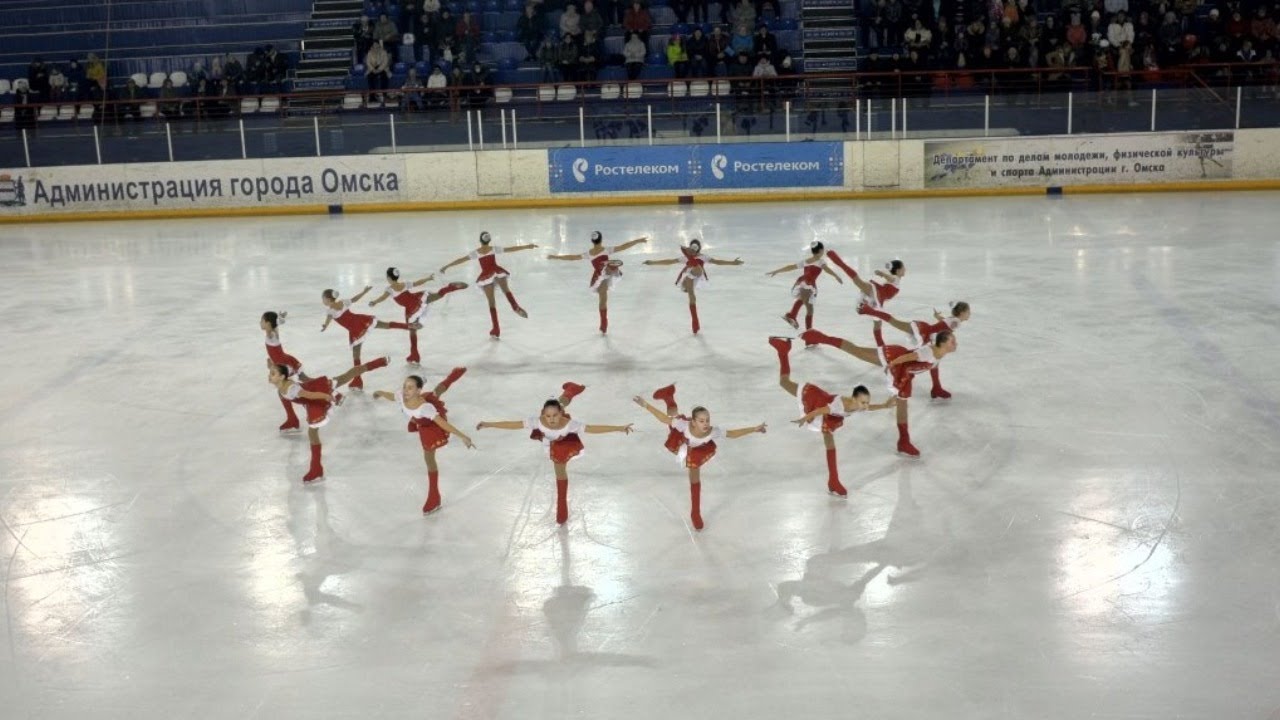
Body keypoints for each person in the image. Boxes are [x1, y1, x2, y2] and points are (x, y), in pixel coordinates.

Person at [476, 383, 634, 525]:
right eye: (548, 416)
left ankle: (561, 507)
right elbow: (513, 424)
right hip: (549, 438)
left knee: (559, 467)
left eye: (555, 415)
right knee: (558, 405)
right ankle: (570, 391)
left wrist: (619, 428)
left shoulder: (570, 424)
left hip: (562, 441)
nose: (551, 419)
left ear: (561, 414)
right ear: (543, 415)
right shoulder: (537, 421)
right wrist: (489, 424)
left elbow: (593, 428)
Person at [767, 337, 897, 496]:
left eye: (866, 402)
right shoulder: (841, 405)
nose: (865, 405)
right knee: (784, 383)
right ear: (854, 398)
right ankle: (783, 351)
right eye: (863, 402)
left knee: (829, 441)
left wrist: (884, 405)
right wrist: (804, 418)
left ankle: (833, 480)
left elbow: (869, 408)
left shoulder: (856, 405)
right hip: (812, 397)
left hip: (823, 403)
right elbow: (821, 410)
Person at [799, 328, 957, 456]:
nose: (955, 343)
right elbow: (910, 356)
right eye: (952, 341)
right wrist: (891, 365)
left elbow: (929, 359)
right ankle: (819, 337)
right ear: (942, 343)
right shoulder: (928, 353)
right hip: (894, 359)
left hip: (905, 374)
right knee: (857, 351)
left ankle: (903, 441)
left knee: (902, 406)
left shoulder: (939, 352)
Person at [634, 385, 765, 530]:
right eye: (702, 421)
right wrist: (645, 405)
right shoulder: (683, 425)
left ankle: (695, 513)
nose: (706, 424)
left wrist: (754, 429)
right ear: (693, 422)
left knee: (694, 476)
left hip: (696, 451)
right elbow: (663, 418)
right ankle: (669, 399)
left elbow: (733, 434)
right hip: (681, 439)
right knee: (672, 420)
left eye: (707, 420)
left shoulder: (712, 431)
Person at [269, 356, 390, 482]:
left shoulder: (291, 388)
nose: (269, 376)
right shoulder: (281, 385)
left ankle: (316, 469)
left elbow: (310, 395)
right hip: (310, 393)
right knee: (347, 376)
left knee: (313, 431)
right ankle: (316, 467)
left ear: (282, 377)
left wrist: (327, 396)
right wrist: (271, 364)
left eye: (272, 374)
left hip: (317, 394)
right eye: (270, 373)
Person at [373, 369, 473, 514]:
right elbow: (392, 396)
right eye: (405, 386)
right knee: (436, 392)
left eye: (410, 387)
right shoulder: (402, 395)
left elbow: (442, 424)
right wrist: (380, 392)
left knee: (429, 458)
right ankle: (436, 378)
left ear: (418, 390)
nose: (405, 390)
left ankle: (434, 496)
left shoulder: (425, 408)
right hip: (419, 418)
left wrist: (462, 435)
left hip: (429, 426)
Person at [858, 301, 971, 399]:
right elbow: (946, 331)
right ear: (962, 313)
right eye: (968, 312)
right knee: (895, 322)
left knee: (935, 363)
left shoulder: (954, 320)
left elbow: (944, 323)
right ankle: (868, 310)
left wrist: (938, 318)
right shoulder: (957, 322)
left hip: (925, 330)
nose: (969, 314)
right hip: (926, 334)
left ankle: (936, 387)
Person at [438, 231, 538, 338]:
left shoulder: (476, 253)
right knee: (506, 290)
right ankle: (515, 306)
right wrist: (528, 246)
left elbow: (460, 260)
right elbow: (511, 249)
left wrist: (446, 266)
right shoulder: (494, 249)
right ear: (489, 240)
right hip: (497, 271)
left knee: (491, 302)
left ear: (480, 240)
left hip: (486, 276)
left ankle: (496, 328)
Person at [320, 287, 420, 390]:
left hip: (355, 329)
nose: (322, 301)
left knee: (356, 355)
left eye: (323, 298)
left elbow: (328, 320)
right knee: (384, 325)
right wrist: (364, 291)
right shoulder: (342, 302)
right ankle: (409, 326)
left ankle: (357, 381)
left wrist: (325, 326)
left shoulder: (330, 311)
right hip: (361, 321)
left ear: (328, 299)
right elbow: (355, 299)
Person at [546, 231, 647, 333]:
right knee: (603, 298)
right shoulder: (607, 250)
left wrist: (556, 257)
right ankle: (604, 323)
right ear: (601, 240)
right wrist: (638, 240)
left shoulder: (589, 254)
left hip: (600, 275)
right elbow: (623, 246)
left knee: (602, 298)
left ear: (592, 241)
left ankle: (603, 323)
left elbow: (572, 258)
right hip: (605, 275)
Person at [641, 239, 744, 334]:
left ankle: (695, 322)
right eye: (691, 249)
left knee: (694, 287)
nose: (693, 251)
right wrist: (652, 262)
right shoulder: (684, 258)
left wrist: (733, 263)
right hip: (687, 278)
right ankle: (695, 320)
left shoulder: (703, 257)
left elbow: (718, 262)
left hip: (697, 277)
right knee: (695, 278)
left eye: (695, 249)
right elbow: (669, 261)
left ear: (697, 249)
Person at [366, 267, 468, 364]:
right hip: (418, 298)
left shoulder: (389, 289)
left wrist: (374, 302)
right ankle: (449, 288)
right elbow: (417, 283)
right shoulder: (404, 284)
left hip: (411, 308)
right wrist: (427, 278)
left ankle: (414, 354)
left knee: (412, 331)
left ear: (388, 278)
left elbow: (383, 297)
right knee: (436, 296)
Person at [766, 241, 842, 331]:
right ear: (821, 250)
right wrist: (836, 275)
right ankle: (805, 330)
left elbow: (791, 267)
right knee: (809, 308)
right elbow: (827, 269)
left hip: (803, 282)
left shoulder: (807, 261)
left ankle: (794, 318)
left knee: (807, 306)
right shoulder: (821, 261)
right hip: (808, 284)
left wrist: (777, 271)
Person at [261, 310, 311, 432]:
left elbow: (271, 331)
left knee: (284, 389)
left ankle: (293, 419)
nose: (260, 323)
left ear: (268, 323)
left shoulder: (270, 335)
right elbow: (274, 333)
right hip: (286, 360)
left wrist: (278, 320)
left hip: (285, 364)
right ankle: (292, 418)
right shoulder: (273, 334)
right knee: (304, 380)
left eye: (262, 321)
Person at [365, 40, 392, 106]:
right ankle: (372, 97)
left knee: (384, 77)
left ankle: (384, 95)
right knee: (370, 78)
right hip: (372, 69)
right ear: (372, 46)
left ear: (379, 46)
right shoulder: (369, 53)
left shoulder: (383, 52)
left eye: (377, 46)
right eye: (374, 46)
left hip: (383, 69)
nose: (376, 47)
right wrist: (373, 69)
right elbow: (368, 62)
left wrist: (379, 69)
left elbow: (385, 62)